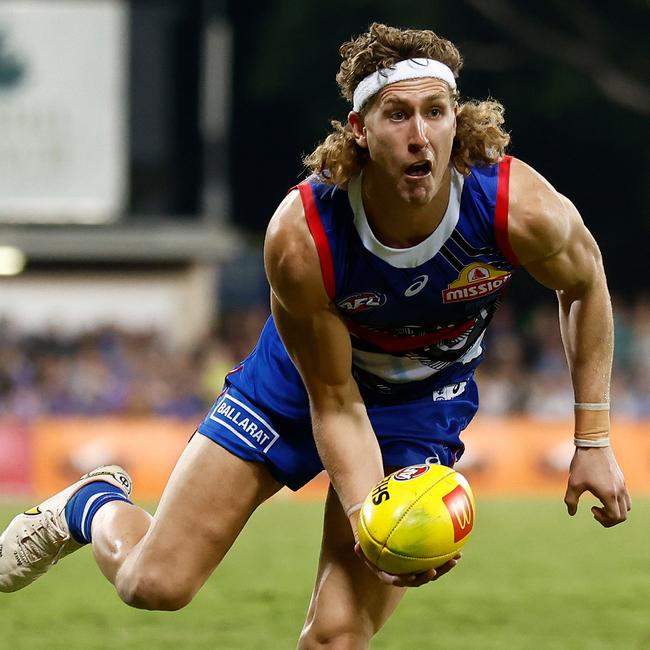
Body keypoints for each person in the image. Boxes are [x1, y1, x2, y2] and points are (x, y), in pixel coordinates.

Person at [0, 22, 630, 649]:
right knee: (153, 585)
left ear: (455, 121)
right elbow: (334, 398)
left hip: (417, 408)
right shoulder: (304, 237)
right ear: (359, 129)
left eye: (436, 113)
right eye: (397, 114)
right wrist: (367, 521)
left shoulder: (518, 207)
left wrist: (594, 438)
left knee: (336, 637)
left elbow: (586, 285)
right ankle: (90, 504)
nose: (420, 137)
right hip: (296, 386)